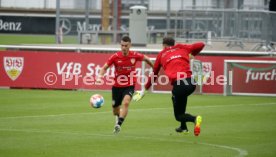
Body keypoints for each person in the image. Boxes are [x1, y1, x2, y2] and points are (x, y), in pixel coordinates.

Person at [134, 37, 205, 136]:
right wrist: (192, 54)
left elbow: (154, 74)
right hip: (191, 83)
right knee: (181, 99)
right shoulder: (181, 47)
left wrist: (143, 91)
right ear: (174, 43)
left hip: (180, 84)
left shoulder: (161, 55)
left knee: (178, 115)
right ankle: (183, 128)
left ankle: (195, 119)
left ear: (163, 45)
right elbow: (201, 44)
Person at [96, 36, 154, 134]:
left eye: (126, 46)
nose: (123, 47)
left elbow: (146, 59)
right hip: (117, 87)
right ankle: (119, 117)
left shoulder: (135, 55)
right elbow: (104, 68)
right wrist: (99, 77)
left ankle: (119, 124)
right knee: (115, 110)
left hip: (129, 85)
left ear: (129, 45)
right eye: (122, 45)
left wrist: (154, 67)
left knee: (126, 102)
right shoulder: (115, 57)